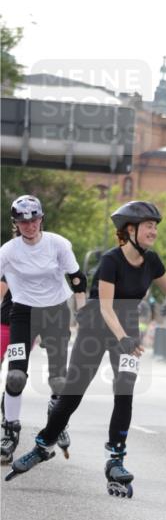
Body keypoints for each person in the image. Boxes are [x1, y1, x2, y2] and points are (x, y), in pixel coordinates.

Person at [7, 200, 166, 498]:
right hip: (97, 327)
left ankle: (116, 460)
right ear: (130, 230)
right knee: (72, 395)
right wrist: (122, 338)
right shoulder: (111, 261)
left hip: (128, 327)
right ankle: (43, 445)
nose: (153, 231)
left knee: (125, 392)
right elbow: (107, 308)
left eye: (155, 227)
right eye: (149, 226)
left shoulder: (152, 261)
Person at [0, 196, 86, 464]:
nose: (29, 225)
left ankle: (57, 416)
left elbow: (78, 280)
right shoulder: (9, 250)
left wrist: (82, 313)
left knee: (59, 381)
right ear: (15, 223)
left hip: (56, 313)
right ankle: (9, 431)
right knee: (15, 376)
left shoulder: (57, 244)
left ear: (41, 219)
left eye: (34, 219)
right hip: (23, 314)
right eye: (23, 221)